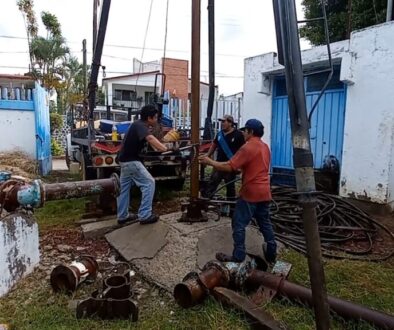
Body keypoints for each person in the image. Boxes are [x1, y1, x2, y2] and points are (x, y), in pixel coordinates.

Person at [199, 118, 277, 264]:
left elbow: (230, 167)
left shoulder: (247, 147)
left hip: (250, 193)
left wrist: (210, 162)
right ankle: (272, 252)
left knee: (239, 224)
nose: (243, 133)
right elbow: (253, 165)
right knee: (265, 222)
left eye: (245, 131)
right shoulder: (265, 147)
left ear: (251, 132)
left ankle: (238, 256)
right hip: (265, 191)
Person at [117, 104, 168, 225]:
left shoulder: (137, 125)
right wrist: (164, 148)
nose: (156, 120)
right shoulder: (140, 125)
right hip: (131, 161)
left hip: (124, 161)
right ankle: (145, 215)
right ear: (149, 118)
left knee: (123, 189)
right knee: (149, 183)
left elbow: (149, 142)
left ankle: (122, 216)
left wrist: (159, 148)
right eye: (155, 117)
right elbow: (150, 139)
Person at [201, 114, 245, 202]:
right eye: (221, 122)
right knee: (212, 183)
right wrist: (208, 155)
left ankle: (231, 207)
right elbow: (214, 145)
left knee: (230, 187)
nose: (222, 123)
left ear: (230, 123)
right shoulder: (219, 134)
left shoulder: (238, 135)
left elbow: (243, 149)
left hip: (230, 165)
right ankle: (206, 202)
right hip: (218, 164)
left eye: (224, 121)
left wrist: (241, 165)